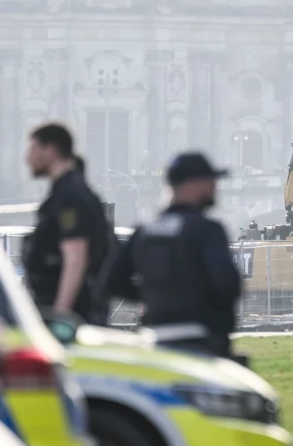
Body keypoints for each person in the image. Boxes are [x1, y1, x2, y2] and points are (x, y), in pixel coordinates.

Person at [101, 151, 242, 358]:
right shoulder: (206, 229)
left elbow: (112, 282)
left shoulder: (145, 231)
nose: (215, 187)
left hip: (154, 336)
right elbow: (228, 282)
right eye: (210, 181)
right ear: (192, 184)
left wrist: (152, 297)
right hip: (200, 338)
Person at [22, 122, 114, 326]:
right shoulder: (65, 193)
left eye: (33, 149)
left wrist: (61, 316)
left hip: (75, 315)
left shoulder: (70, 197)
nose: (28, 158)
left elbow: (75, 258)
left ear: (51, 150)